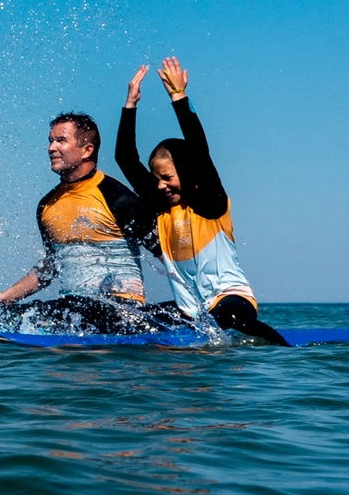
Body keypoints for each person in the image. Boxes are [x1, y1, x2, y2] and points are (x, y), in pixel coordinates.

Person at [116, 58, 287, 346]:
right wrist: (130, 105)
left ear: (187, 172)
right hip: (191, 311)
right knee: (130, 321)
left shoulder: (210, 203)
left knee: (229, 321)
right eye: (156, 178)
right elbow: (125, 158)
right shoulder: (162, 206)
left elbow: (199, 150)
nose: (160, 185)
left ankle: (285, 350)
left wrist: (179, 98)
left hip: (231, 301)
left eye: (167, 177)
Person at [0, 109, 157, 334]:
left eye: (61, 141)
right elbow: (51, 267)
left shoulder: (118, 198)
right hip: (72, 310)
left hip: (120, 310)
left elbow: (166, 255)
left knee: (62, 312)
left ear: (86, 150)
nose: (51, 148)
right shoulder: (47, 206)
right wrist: (5, 297)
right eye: (51, 141)